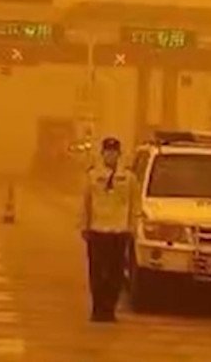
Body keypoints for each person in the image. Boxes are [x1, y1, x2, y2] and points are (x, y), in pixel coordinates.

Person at [80, 136, 134, 322]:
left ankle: (110, 309)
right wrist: (84, 226)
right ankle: (97, 308)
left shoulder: (128, 177)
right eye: (107, 152)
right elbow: (86, 202)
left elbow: (134, 204)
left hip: (119, 231)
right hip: (97, 230)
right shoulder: (93, 176)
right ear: (102, 154)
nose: (111, 155)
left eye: (114, 152)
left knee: (115, 274)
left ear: (119, 155)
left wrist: (131, 228)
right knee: (97, 273)